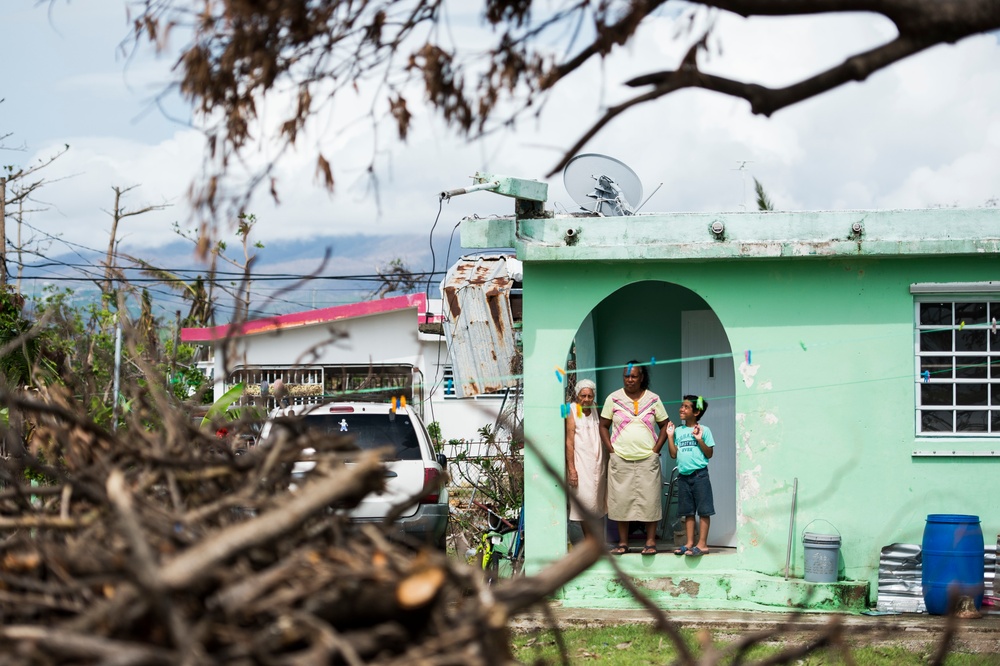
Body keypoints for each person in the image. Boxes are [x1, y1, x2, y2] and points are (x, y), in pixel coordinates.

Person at [599, 361, 671, 555]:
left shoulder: (653, 399)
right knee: (621, 501)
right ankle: (623, 543)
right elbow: (603, 425)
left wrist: (656, 449)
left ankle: (650, 542)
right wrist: (611, 449)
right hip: (620, 458)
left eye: (634, 376)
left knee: (650, 500)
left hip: (648, 459)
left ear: (642, 377)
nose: (630, 380)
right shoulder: (613, 399)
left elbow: (665, 424)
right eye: (626, 376)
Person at [666, 395, 715, 557]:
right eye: (682, 406)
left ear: (695, 412)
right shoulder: (678, 431)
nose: (681, 409)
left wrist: (699, 439)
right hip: (684, 477)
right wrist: (670, 437)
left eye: (686, 407)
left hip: (699, 476)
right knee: (688, 512)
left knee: (704, 510)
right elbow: (673, 455)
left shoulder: (704, 430)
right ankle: (689, 543)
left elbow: (709, 454)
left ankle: (702, 544)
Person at [565, 379, 607, 540]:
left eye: (590, 396)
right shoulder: (572, 410)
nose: (586, 399)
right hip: (581, 464)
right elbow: (569, 442)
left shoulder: (596, 408)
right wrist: (572, 469)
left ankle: (597, 542)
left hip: (597, 464)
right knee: (584, 504)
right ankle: (591, 541)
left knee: (598, 503)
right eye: (583, 395)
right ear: (577, 395)